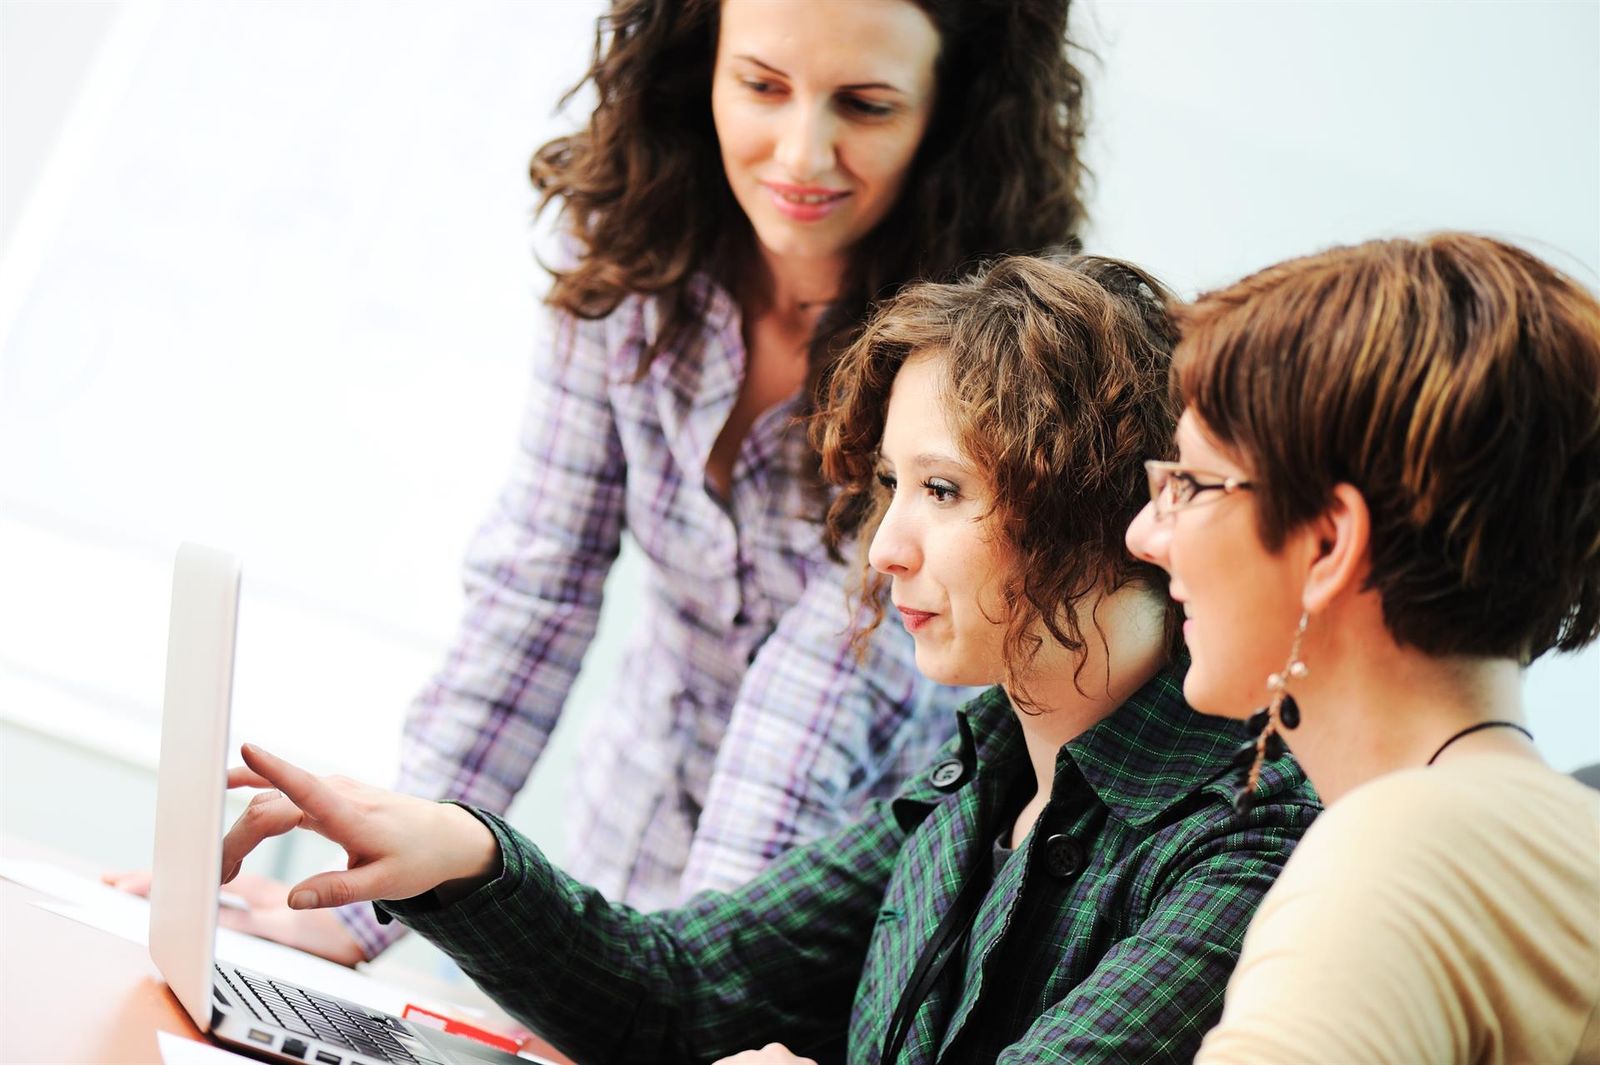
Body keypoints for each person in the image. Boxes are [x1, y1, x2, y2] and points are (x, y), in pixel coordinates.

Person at [108, 0, 1091, 963]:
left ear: (952, 108)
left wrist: (684, 997)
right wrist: (359, 904)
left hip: (841, 918)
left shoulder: (975, 354)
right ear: (698, 58)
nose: (799, 153)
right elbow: (539, 581)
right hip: (630, 835)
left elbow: (823, 688)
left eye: (864, 105)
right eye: (761, 84)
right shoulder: (631, 251)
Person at [218, 255, 1319, 1063]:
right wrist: (456, 857)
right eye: (891, 488)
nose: (886, 549)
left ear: (1096, 506)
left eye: (943, 491)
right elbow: (677, 992)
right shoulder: (980, 781)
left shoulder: (1248, 838)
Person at [1125, 232, 1600, 1063]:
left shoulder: (1389, 861)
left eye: (1191, 485)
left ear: (1328, 540)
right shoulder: (1566, 838)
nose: (1144, 535)